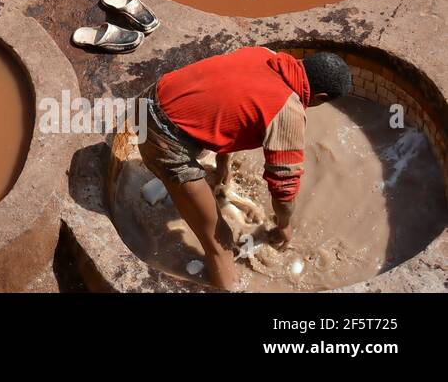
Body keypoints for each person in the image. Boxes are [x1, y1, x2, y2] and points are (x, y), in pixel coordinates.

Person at [136, 46, 352, 290]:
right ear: (320, 98)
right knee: (221, 242)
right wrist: (284, 226)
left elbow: (227, 100)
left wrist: (223, 163)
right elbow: (284, 188)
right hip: (161, 139)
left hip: (146, 103)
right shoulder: (288, 110)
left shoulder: (265, 54)